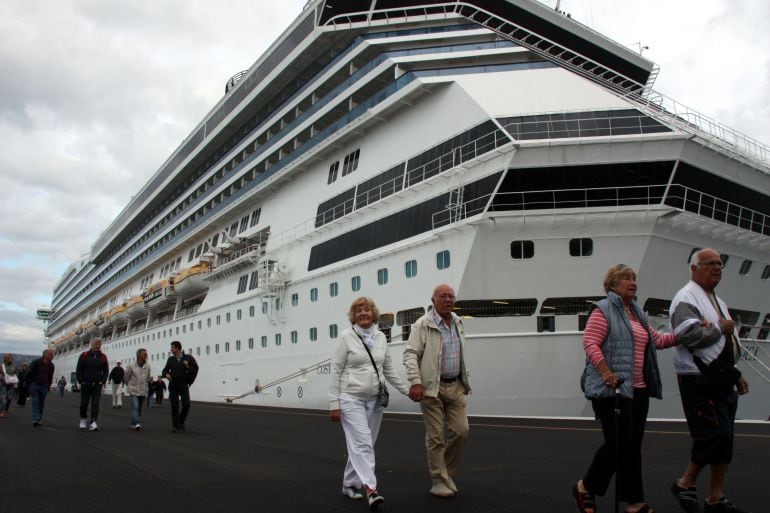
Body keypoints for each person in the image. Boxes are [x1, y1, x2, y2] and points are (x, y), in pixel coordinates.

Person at [573, 264, 685, 513]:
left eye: (634, 278)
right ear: (613, 284)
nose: (633, 282)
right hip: (612, 388)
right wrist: (606, 373)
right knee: (618, 444)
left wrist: (687, 333)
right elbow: (590, 343)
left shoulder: (638, 312)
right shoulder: (603, 310)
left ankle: (634, 502)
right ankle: (585, 486)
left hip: (638, 389)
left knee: (632, 447)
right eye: (626, 278)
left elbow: (658, 340)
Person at [669, 248, 752, 513]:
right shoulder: (686, 297)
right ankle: (685, 482)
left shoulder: (716, 299)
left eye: (719, 264)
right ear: (694, 268)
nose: (717, 268)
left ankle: (715, 497)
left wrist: (736, 373)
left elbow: (725, 342)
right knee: (713, 436)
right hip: (699, 377)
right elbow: (688, 335)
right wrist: (719, 328)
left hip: (721, 376)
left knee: (725, 440)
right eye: (710, 264)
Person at [329, 297, 409, 509]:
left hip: (375, 400)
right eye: (359, 311)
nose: (363, 314)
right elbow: (336, 370)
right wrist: (333, 404)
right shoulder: (346, 337)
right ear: (353, 316)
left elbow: (388, 369)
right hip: (350, 398)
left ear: (374, 314)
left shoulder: (381, 337)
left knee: (364, 445)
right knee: (363, 443)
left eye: (367, 310)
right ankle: (371, 489)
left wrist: (408, 391)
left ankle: (348, 484)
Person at [403, 284, 471, 498]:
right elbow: (410, 354)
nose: (448, 300)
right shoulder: (423, 324)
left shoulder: (458, 322)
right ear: (433, 300)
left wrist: (465, 380)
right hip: (432, 388)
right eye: (443, 296)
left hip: (456, 385)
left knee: (461, 431)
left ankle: (447, 472)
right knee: (435, 437)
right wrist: (415, 381)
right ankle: (437, 481)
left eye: (451, 296)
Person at [162, 340, 199, 432]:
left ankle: (180, 421)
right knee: (175, 405)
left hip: (183, 384)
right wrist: (166, 374)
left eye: (172, 347)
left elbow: (195, 369)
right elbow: (164, 370)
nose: (170, 349)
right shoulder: (170, 359)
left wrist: (187, 366)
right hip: (173, 385)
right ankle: (176, 425)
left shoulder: (188, 358)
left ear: (177, 348)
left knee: (186, 404)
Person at [76, 338, 109, 431]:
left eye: (99, 344)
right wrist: (81, 381)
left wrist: (102, 381)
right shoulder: (84, 355)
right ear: (91, 344)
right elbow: (79, 369)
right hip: (86, 383)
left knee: (95, 403)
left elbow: (106, 370)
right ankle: (83, 419)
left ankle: (93, 422)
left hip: (97, 384)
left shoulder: (103, 357)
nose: (98, 346)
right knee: (84, 403)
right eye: (96, 344)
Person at [124, 348, 151, 431]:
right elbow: (126, 377)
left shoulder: (147, 366)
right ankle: (137, 423)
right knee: (135, 406)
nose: (146, 356)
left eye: (146, 354)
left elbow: (148, 377)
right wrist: (130, 385)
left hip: (143, 390)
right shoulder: (131, 366)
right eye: (144, 354)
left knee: (139, 408)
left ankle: (133, 423)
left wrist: (146, 387)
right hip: (133, 389)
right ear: (139, 356)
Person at [27, 349, 55, 426]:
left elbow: (50, 376)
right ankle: (35, 418)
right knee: (35, 401)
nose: (52, 356)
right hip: (35, 385)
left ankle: (38, 418)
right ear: (45, 355)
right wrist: (29, 384)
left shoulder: (51, 365)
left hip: (44, 386)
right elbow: (29, 373)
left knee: (41, 403)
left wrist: (48, 386)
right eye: (50, 354)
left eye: (53, 354)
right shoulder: (36, 362)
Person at [1, 353, 19, 418]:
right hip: (3, 383)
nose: (11, 359)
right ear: (6, 358)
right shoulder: (1, 365)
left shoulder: (14, 366)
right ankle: (2, 411)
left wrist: (14, 377)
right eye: (9, 358)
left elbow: (17, 373)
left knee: (9, 398)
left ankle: (6, 410)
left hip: (11, 384)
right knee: (3, 398)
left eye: (12, 358)